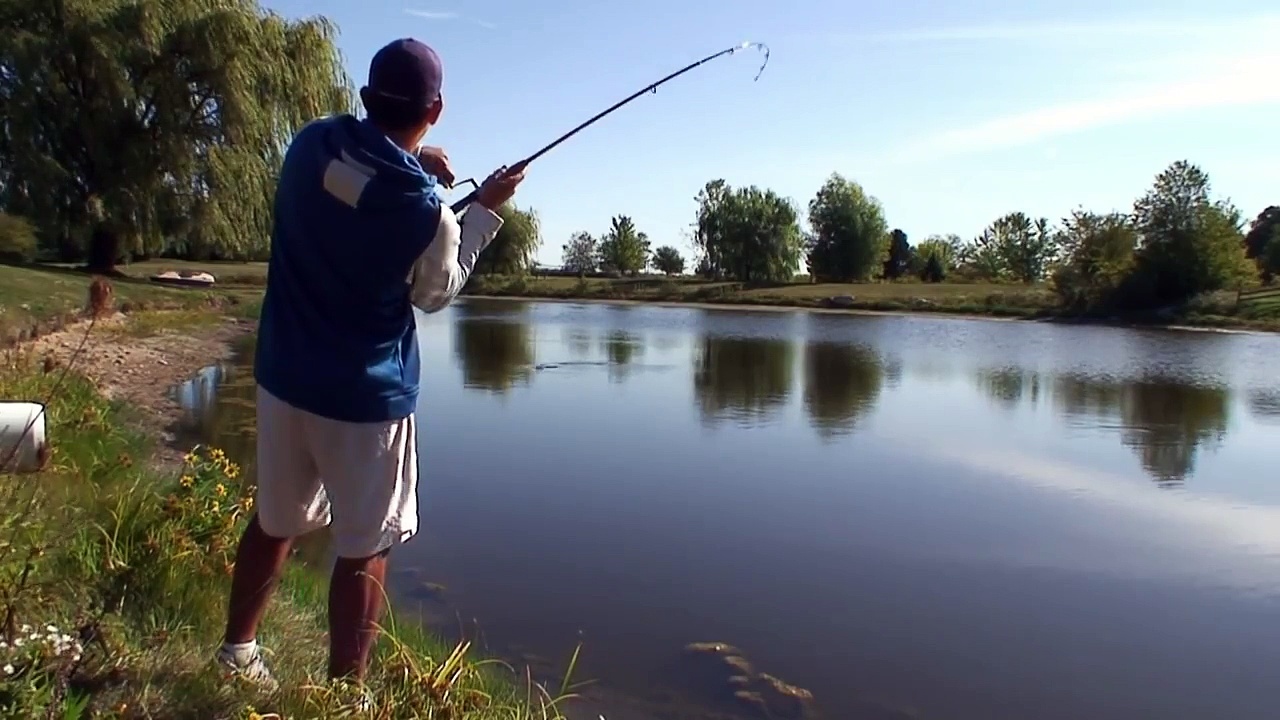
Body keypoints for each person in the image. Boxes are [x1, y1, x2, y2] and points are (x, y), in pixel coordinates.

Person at [216, 37, 525, 689]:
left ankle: (237, 652)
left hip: (282, 377)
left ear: (363, 98)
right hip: (364, 400)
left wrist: (414, 162)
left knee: (275, 520)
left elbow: (355, 181)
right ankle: (344, 696)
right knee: (364, 548)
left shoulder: (309, 144)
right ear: (434, 110)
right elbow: (436, 293)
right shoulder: (426, 214)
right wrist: (482, 213)